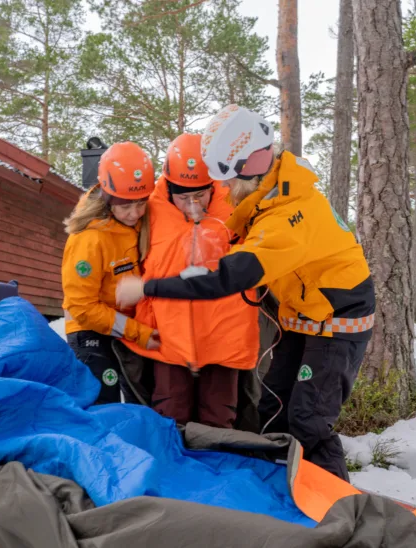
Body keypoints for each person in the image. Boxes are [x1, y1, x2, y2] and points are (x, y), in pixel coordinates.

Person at [116, 105, 376, 480]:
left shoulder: (288, 216)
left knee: (308, 422)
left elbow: (229, 277)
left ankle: (335, 510)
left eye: (226, 181)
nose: (221, 191)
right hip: (304, 315)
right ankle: (281, 490)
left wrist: (148, 286)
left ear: (247, 169)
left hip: (334, 321)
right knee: (272, 406)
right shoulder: (273, 189)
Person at [122, 133, 260, 429]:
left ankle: (218, 475)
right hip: (168, 337)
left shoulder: (237, 207)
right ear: (169, 187)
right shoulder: (147, 210)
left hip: (225, 336)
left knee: (220, 420)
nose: (193, 204)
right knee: (169, 417)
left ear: (212, 185)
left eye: (200, 195)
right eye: (183, 197)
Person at [61, 141, 160, 405]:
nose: (134, 213)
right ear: (107, 199)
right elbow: (82, 307)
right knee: (103, 407)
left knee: (141, 404)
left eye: (141, 204)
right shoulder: (90, 239)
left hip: (128, 332)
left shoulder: (142, 222)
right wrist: (137, 331)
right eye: (126, 206)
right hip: (91, 333)